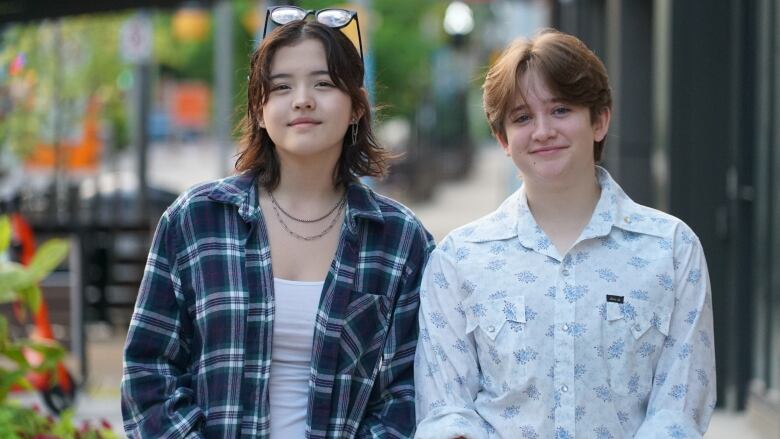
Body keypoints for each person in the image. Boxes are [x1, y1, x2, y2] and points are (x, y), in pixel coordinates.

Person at [122, 8, 433, 438]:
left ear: (357, 107)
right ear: (260, 109)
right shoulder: (196, 221)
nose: (302, 99)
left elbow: (410, 390)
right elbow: (148, 370)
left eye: (323, 83)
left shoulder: (400, 240)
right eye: (282, 86)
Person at [414, 29, 716, 438]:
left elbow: (678, 411)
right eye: (522, 117)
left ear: (599, 121)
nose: (542, 131)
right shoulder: (458, 260)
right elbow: (447, 411)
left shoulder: (672, 250)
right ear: (503, 138)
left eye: (561, 110)